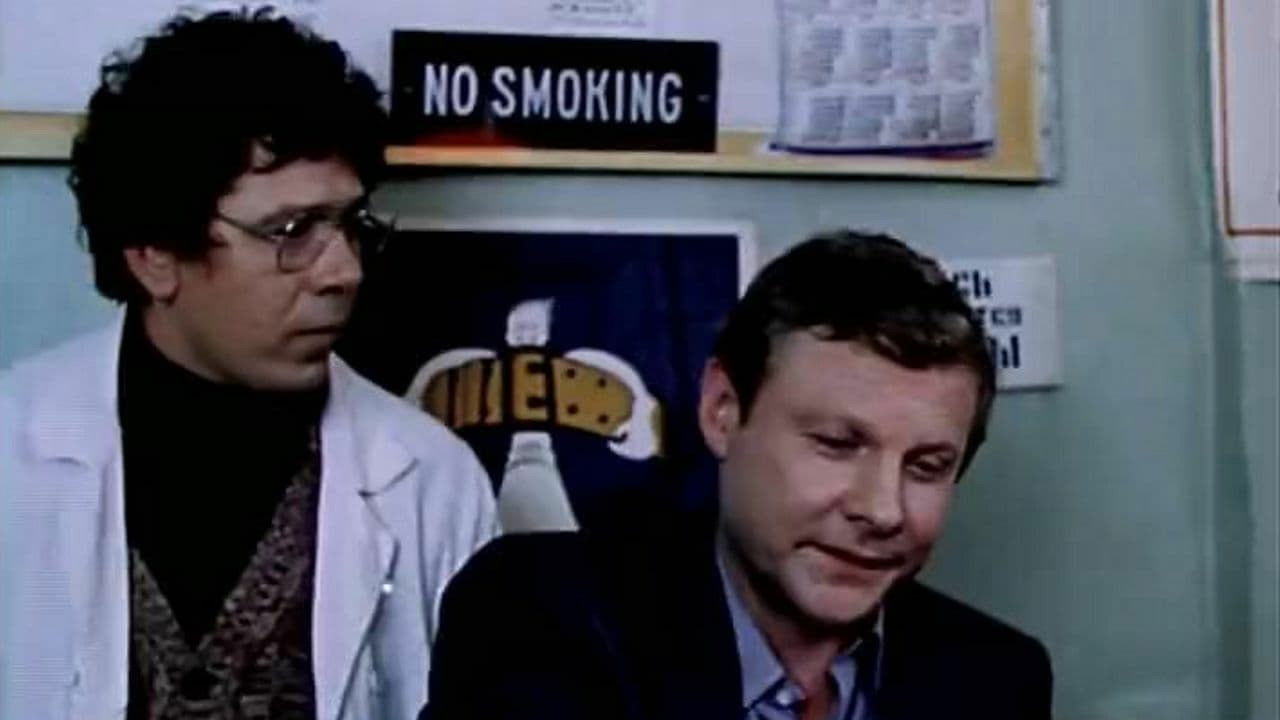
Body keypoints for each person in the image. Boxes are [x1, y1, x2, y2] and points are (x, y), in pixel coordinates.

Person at [0, 9, 497, 720]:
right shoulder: (13, 448)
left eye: (350, 224)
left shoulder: (432, 480)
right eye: (292, 231)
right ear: (155, 255)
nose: (344, 271)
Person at [426, 230, 1052, 720]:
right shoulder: (544, 617)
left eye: (927, 467)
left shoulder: (995, 679)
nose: (883, 509)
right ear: (722, 411)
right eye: (837, 445)